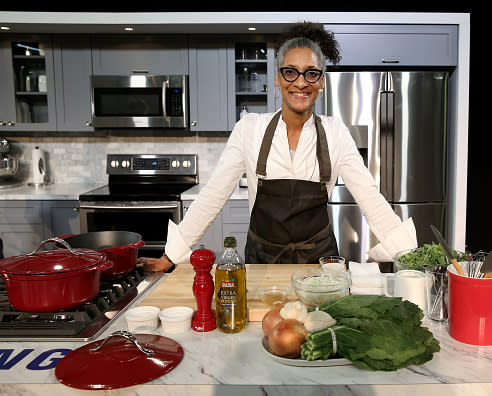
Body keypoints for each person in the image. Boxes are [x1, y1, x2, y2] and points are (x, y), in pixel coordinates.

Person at [140, 21, 417, 272]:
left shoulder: (335, 133)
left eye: (311, 74)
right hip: (262, 265)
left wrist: (410, 255)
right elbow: (213, 195)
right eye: (290, 72)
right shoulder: (250, 129)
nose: (300, 82)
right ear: (277, 78)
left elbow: (371, 199)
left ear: (321, 81)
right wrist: (170, 255)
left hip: (320, 267)